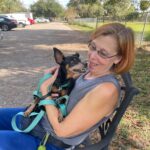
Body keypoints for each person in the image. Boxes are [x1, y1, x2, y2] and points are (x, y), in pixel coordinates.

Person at [0, 23, 135, 150]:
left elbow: (62, 130)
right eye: (93, 47)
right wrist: (55, 76)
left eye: (103, 53)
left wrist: (45, 90)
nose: (92, 57)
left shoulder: (106, 90)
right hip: (37, 117)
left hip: (48, 140)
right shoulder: (90, 71)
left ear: (118, 58)